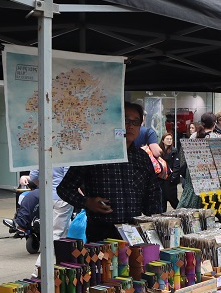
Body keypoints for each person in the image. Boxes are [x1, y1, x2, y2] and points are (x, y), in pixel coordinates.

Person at [57, 102, 163, 243]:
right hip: (101, 232)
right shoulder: (95, 154)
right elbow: (64, 188)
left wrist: (156, 224)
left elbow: (153, 194)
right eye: (125, 120)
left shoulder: (142, 157)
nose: (130, 125)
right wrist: (87, 202)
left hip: (134, 232)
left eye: (135, 122)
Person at [159, 133, 184, 211]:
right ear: (163, 140)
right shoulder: (159, 150)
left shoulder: (174, 151)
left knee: (173, 200)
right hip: (161, 179)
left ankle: (181, 212)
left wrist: (173, 177)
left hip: (170, 179)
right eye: (167, 139)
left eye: (170, 139)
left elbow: (176, 165)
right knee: (162, 200)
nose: (169, 141)